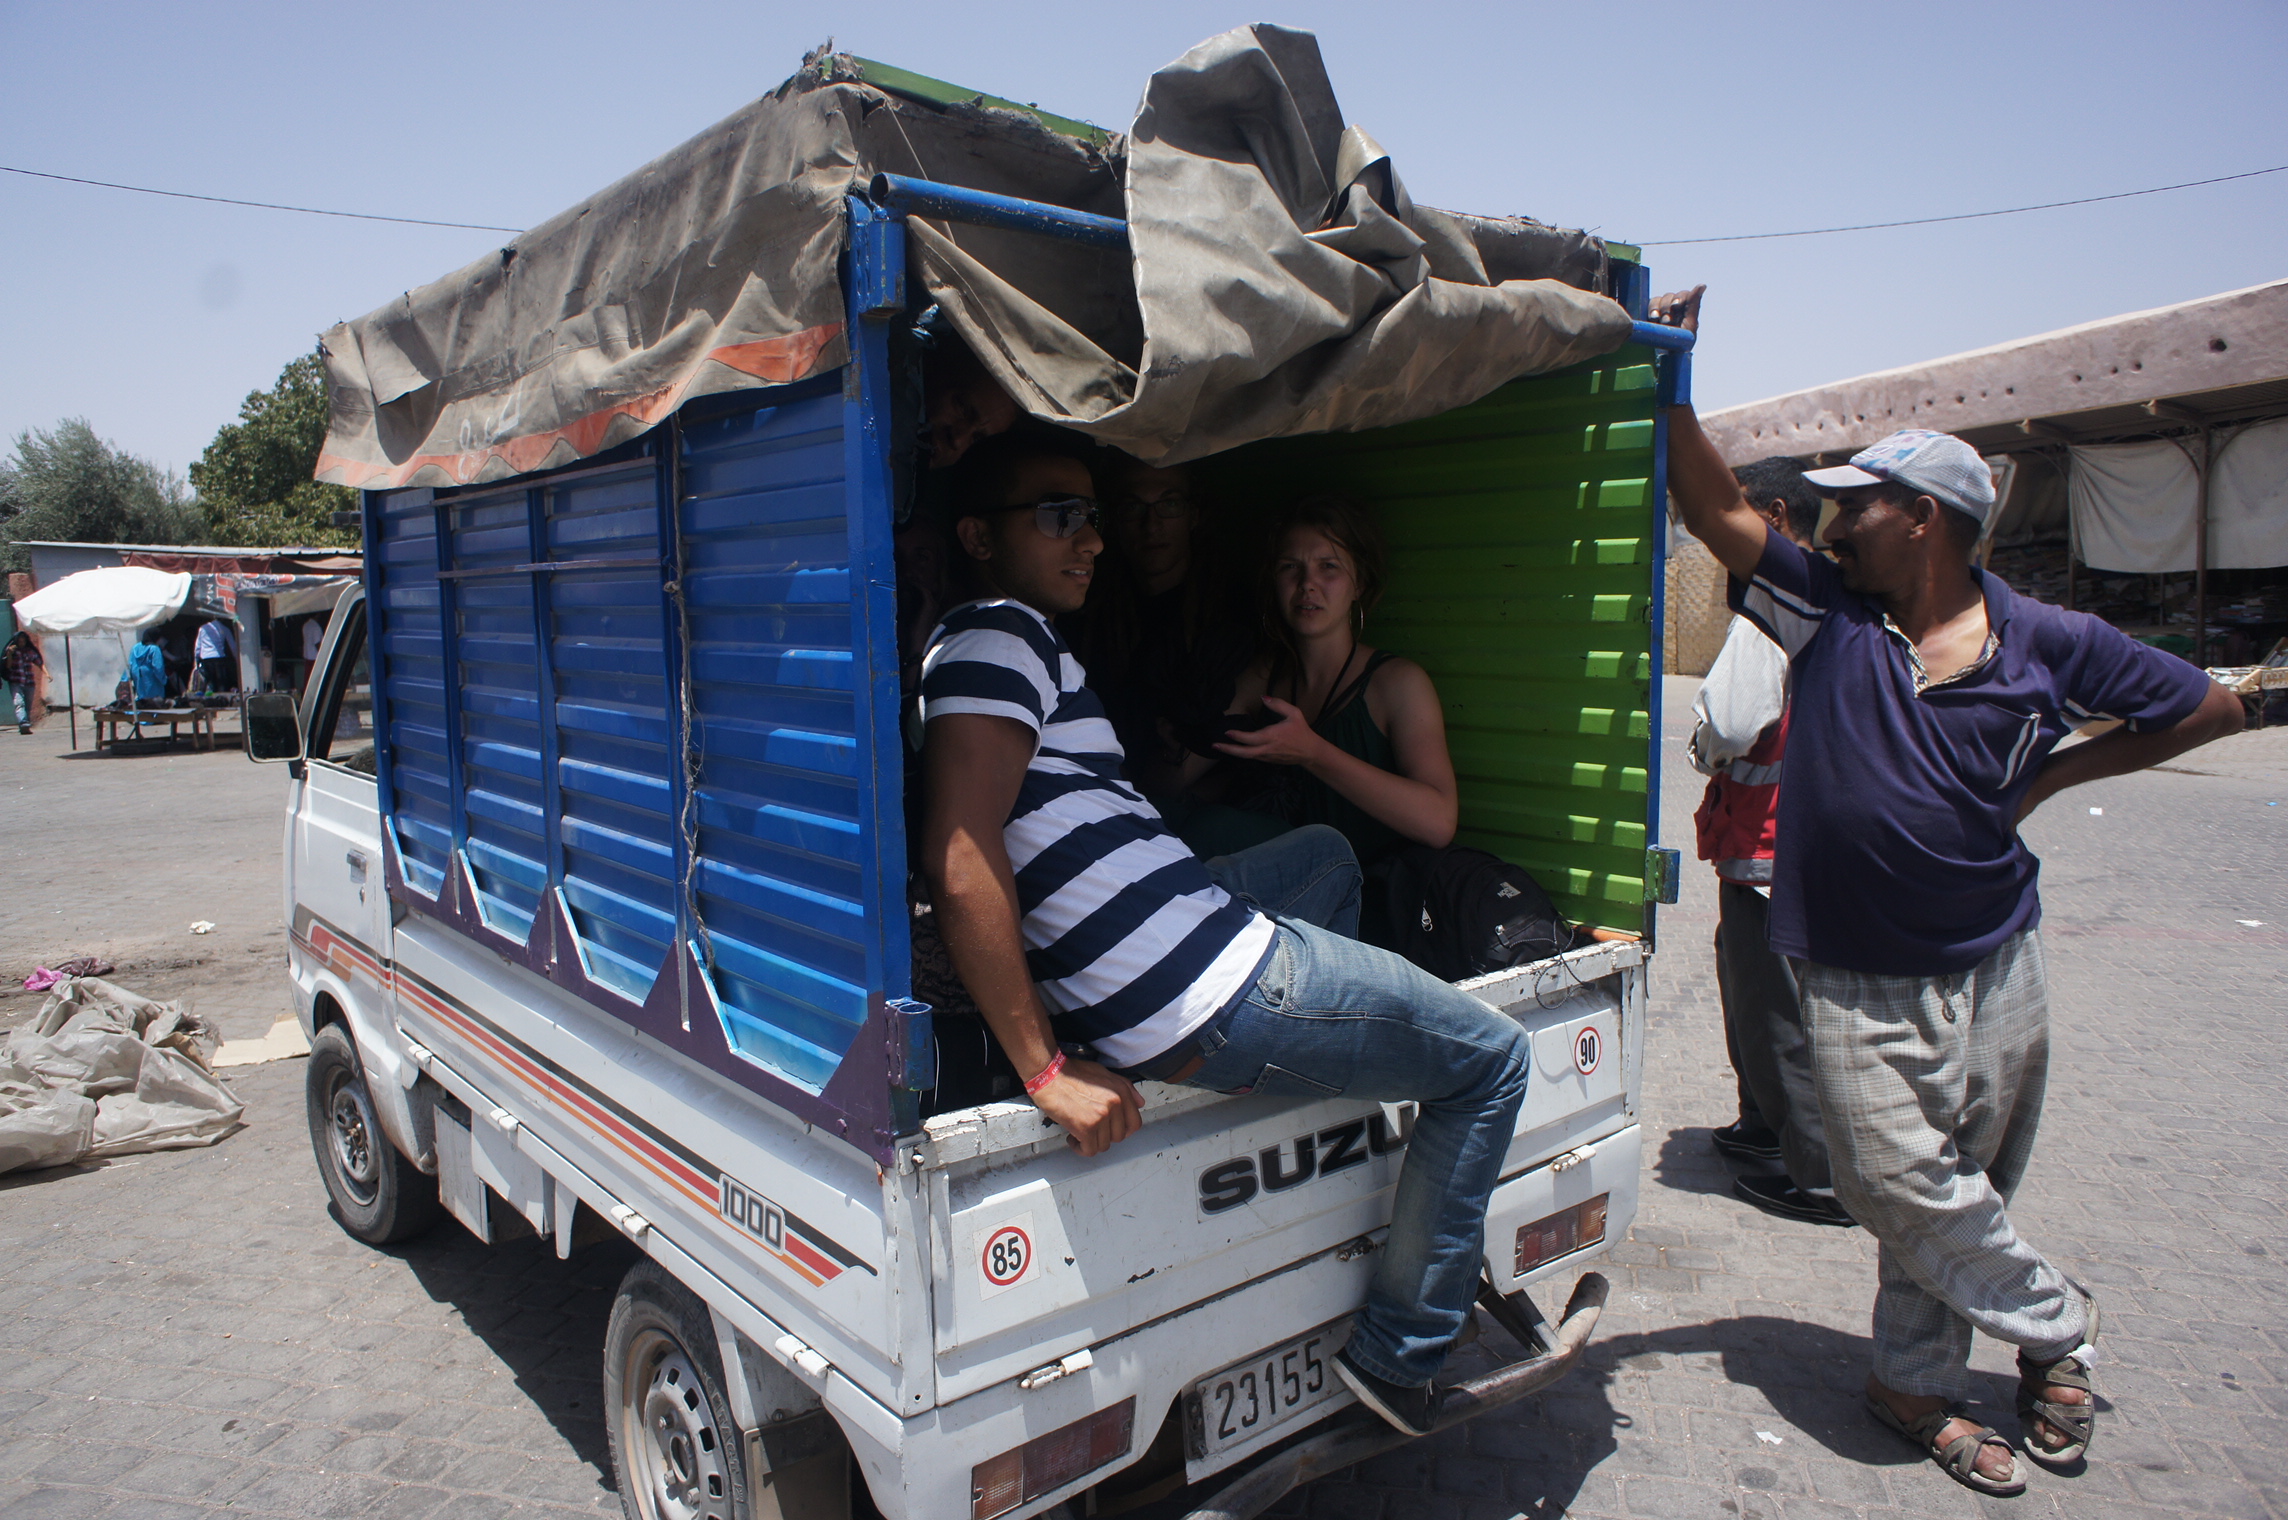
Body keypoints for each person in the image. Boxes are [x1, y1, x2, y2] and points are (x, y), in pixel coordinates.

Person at [1655, 284, 2244, 1496]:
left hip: (1995, 961)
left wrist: (2053, 773)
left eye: (1855, 504)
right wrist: (1671, 372)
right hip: (1854, 970)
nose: (1833, 523)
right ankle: (2056, 1318)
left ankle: (1911, 1383)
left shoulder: (2047, 640)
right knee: (1887, 1179)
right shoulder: (1825, 612)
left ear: (1920, 519)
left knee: (1964, 1179)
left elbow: (2207, 707)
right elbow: (1712, 509)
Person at [918, 435, 1530, 1436]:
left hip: (1183, 940)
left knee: (1325, 856)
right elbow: (958, 852)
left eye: (1092, 517)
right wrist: (1042, 1070)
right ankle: (1403, 1350)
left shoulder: (1009, 642)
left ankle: (1316, 1041)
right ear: (979, 536)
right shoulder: (997, 635)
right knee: (1493, 1061)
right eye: (1058, 517)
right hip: (1209, 983)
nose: (1093, 540)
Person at [1688, 457, 1851, 1228]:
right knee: (1755, 996)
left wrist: (1702, 748)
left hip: (1766, 851)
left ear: (1776, 517)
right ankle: (1762, 1124)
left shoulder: (1769, 611)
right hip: (1793, 847)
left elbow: (1728, 723)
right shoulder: (1832, 604)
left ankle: (1819, 1178)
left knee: (1776, 1012)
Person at [1190, 497, 1458, 938]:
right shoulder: (1264, 676)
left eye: (1328, 567)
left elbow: (1438, 821)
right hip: (1270, 904)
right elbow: (1178, 778)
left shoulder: (1395, 683)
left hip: (1362, 907)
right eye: (1290, 568)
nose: (1307, 585)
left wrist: (1313, 752)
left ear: (1359, 583)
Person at [3, 630, 44, 734]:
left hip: (29, 682)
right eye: (19, 641)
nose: (21, 643)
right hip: (16, 681)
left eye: (23, 641)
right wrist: (10, 654)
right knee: (19, 703)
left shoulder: (29, 651)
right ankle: (23, 722)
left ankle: (26, 724)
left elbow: (39, 662)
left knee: (28, 704)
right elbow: (8, 665)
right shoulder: (12, 651)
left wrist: (47, 674)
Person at [193, 618, 238, 694]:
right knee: (221, 683)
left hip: (206, 659)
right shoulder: (224, 628)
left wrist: (196, 659)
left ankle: (210, 698)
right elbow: (233, 646)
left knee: (209, 683)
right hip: (219, 658)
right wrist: (237, 660)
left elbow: (198, 646)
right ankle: (221, 697)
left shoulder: (203, 628)